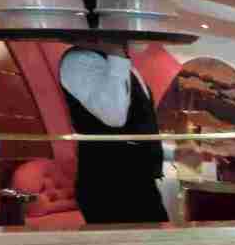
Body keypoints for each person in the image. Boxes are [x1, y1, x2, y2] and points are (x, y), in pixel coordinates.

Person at [60, 36, 169, 224]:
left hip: (139, 183)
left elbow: (138, 129)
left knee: (157, 240)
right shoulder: (78, 60)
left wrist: (174, 153)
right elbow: (114, 116)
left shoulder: (120, 64)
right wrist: (116, 54)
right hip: (108, 184)